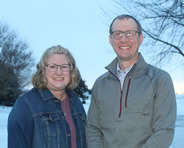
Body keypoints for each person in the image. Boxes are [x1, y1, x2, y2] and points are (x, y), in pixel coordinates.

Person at [86, 14, 177, 148]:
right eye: (118, 34)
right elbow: (93, 129)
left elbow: (164, 131)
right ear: (111, 40)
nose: (124, 39)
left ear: (140, 38)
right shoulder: (100, 84)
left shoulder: (159, 79)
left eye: (130, 33)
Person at [8, 45, 87, 148]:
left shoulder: (76, 101)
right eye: (52, 66)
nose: (59, 72)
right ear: (43, 70)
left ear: (71, 70)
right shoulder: (25, 104)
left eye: (64, 66)